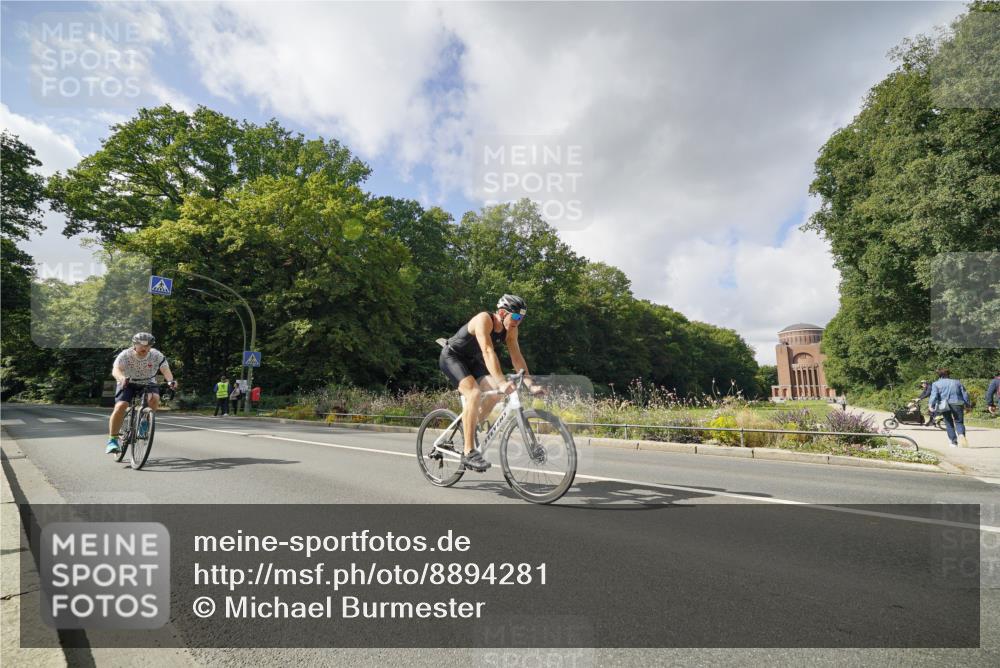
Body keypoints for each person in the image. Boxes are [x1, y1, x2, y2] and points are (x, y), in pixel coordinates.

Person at [438, 294, 545, 472]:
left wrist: (530, 384)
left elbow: (516, 357)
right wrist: (502, 381)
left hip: (472, 361)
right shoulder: (483, 319)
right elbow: (488, 351)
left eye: (522, 318)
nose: (519, 321)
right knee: (474, 393)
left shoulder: (511, 329)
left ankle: (468, 426)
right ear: (502, 312)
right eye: (517, 316)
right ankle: (468, 451)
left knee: (496, 392)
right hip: (453, 357)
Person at [106, 333, 177, 454]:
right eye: (141, 345)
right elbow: (116, 370)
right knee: (121, 406)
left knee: (154, 398)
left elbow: (165, 369)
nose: (144, 348)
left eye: (148, 346)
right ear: (134, 345)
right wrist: (121, 378)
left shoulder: (156, 355)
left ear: (151, 346)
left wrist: (170, 381)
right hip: (128, 381)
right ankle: (112, 440)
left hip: (148, 382)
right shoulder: (125, 355)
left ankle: (144, 423)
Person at [929, 369, 971, 448]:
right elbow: (965, 394)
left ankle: (953, 442)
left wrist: (931, 405)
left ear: (939, 375)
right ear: (948, 374)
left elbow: (934, 395)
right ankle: (961, 435)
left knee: (948, 423)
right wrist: (968, 405)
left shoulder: (936, 384)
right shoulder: (957, 382)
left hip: (944, 405)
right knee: (959, 422)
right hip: (957, 403)